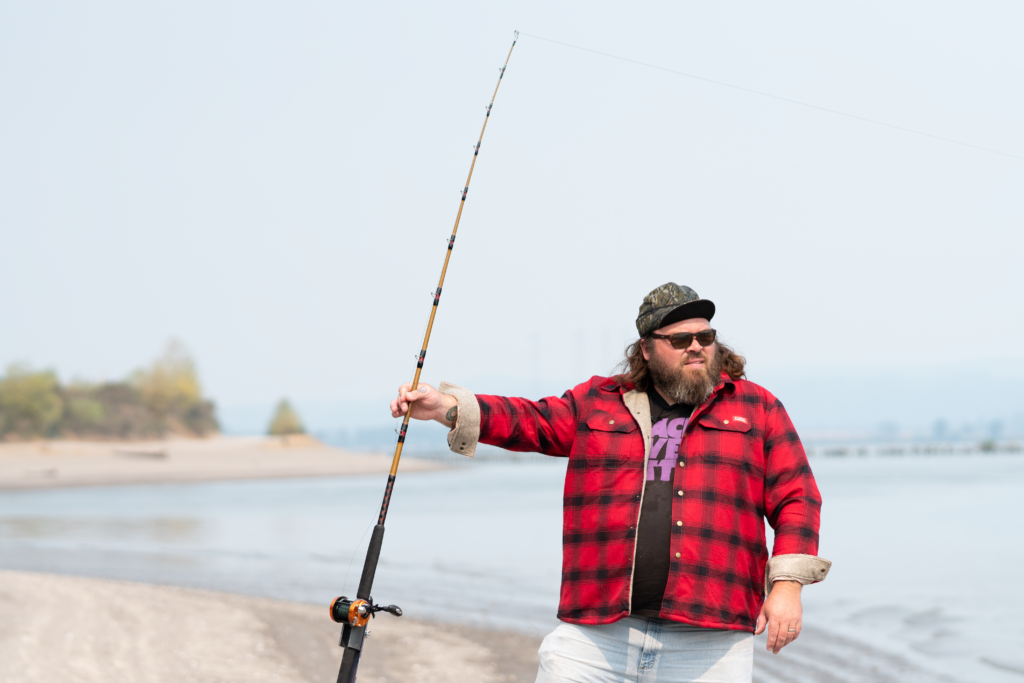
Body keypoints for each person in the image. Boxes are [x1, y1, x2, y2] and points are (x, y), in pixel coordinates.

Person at [390, 283, 831, 683]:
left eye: (705, 337)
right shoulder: (599, 402)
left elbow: (797, 497)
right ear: (646, 348)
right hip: (595, 634)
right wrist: (445, 407)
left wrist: (787, 587)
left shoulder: (757, 408)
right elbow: (530, 421)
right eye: (680, 339)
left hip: (709, 640)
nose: (697, 347)